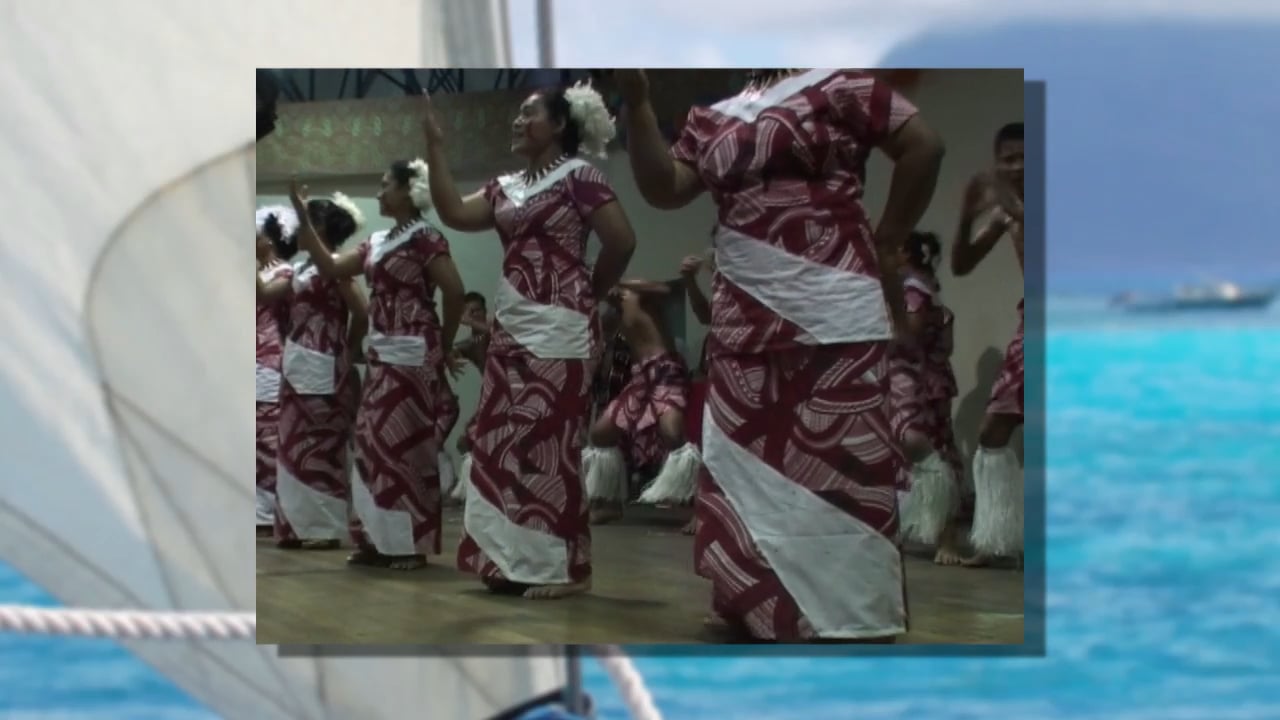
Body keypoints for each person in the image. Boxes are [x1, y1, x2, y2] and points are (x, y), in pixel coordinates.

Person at [618, 68, 945, 641]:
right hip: (743, 306)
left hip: (829, 294)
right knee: (744, 457)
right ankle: (754, 598)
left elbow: (923, 146)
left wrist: (889, 237)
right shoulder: (712, 115)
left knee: (836, 455)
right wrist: (639, 102)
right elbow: (664, 189)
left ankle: (847, 608)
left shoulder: (840, 84)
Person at [423, 81, 637, 599]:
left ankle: (565, 569)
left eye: (529, 114)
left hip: (560, 329)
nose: (518, 122)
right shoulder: (504, 187)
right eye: (516, 115)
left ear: (560, 124)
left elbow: (621, 240)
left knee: (549, 446)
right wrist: (436, 147)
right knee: (499, 442)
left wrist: (587, 290)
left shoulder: (580, 177)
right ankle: (512, 559)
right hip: (511, 328)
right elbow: (453, 212)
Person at [289, 160, 466, 571]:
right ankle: (375, 538)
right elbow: (332, 267)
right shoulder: (377, 241)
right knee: (371, 444)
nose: (378, 192)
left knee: (408, 449)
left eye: (386, 185)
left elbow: (454, 292)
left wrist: (443, 340)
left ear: (409, 191)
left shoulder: (426, 238)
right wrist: (302, 219)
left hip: (413, 357)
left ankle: (409, 544)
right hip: (384, 356)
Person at [269, 194, 369, 550]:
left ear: (319, 226)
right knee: (294, 444)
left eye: (304, 220)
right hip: (297, 362)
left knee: (322, 445)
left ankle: (323, 527)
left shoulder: (336, 266)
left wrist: (349, 348)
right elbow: (265, 294)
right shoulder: (298, 270)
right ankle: (296, 526)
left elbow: (361, 311)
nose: (296, 228)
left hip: (326, 360)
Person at [951, 122, 1025, 565]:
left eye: (1024, 158)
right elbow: (961, 265)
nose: (1015, 166)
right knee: (992, 431)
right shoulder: (1004, 214)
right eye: (1008, 158)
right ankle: (997, 541)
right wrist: (966, 212)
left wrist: (1011, 204)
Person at [582, 280, 692, 524]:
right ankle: (609, 504)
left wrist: (622, 284)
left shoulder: (636, 294)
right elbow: (599, 330)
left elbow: (665, 289)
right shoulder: (613, 313)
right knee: (600, 435)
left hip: (665, 369)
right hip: (640, 377)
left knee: (672, 434)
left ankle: (698, 508)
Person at [887, 231, 966, 564]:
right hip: (924, 376)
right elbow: (946, 345)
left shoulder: (913, 290)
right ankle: (933, 534)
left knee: (921, 445)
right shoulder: (926, 290)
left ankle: (946, 536)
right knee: (929, 449)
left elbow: (909, 334)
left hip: (911, 377)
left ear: (905, 252)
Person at [255, 206, 297, 536]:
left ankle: (269, 511)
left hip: (269, 361)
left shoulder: (286, 272)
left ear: (269, 240)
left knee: (267, 438)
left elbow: (264, 295)